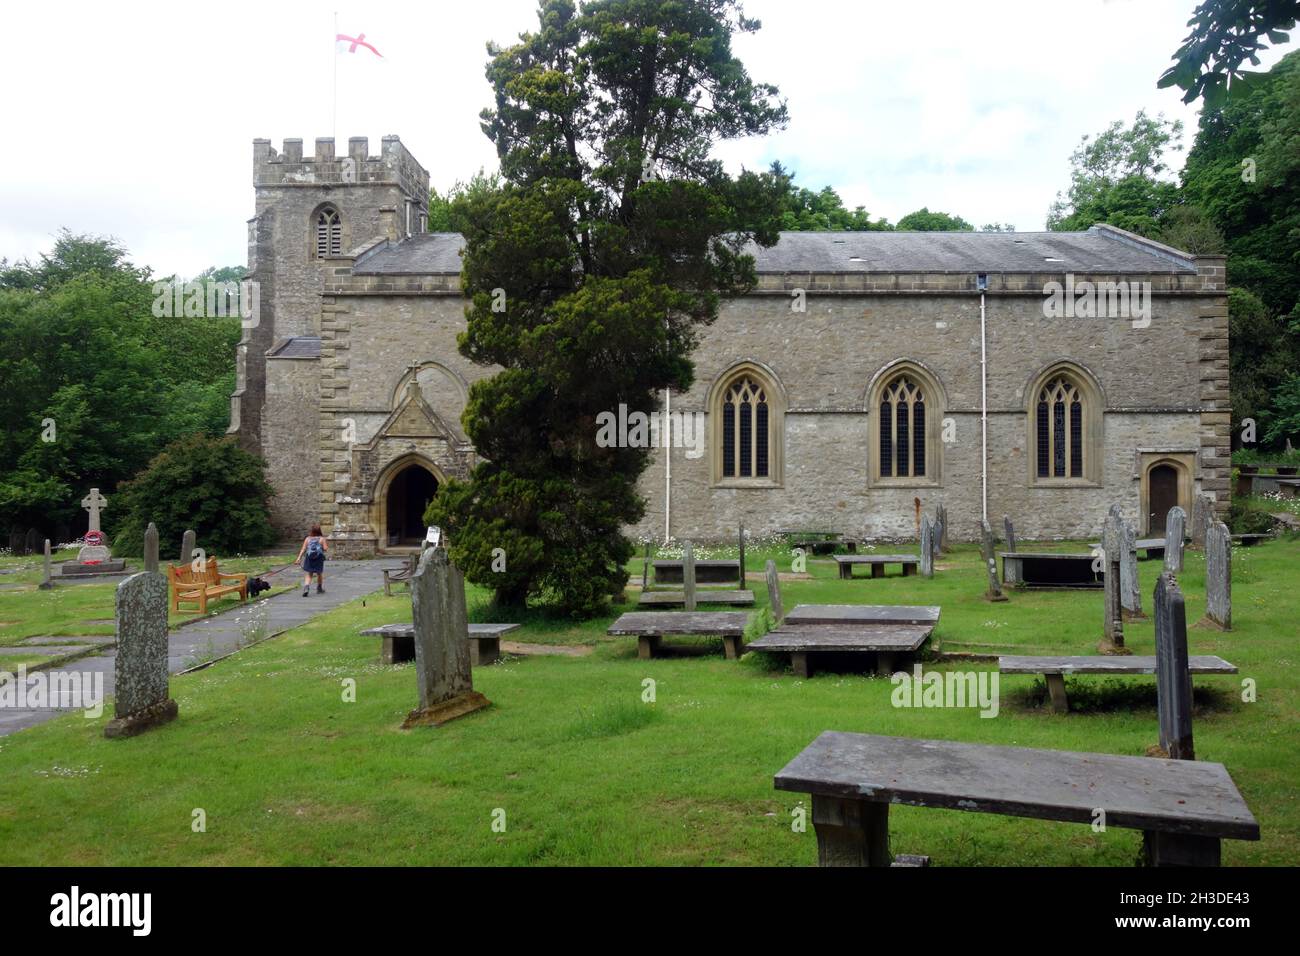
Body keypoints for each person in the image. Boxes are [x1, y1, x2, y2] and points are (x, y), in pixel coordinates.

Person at [296, 524, 329, 596]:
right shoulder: (322, 539)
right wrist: (323, 547)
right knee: (319, 573)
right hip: (319, 558)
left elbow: (303, 549)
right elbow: (326, 548)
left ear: (312, 531)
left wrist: (299, 558)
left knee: (309, 574)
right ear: (319, 530)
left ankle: (306, 588)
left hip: (309, 557)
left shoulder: (307, 539)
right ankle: (319, 588)